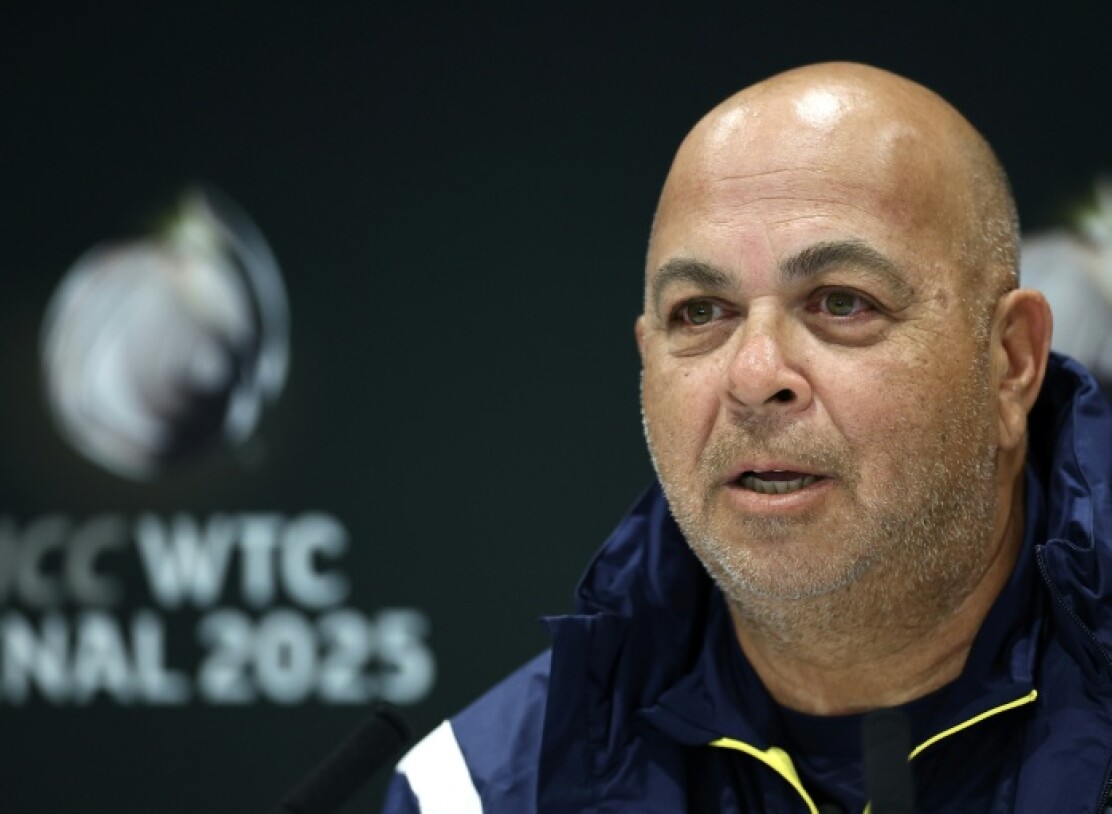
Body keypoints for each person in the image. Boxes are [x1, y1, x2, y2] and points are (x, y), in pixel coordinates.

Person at [381, 62, 1112, 812]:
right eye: (700, 313)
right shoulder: (480, 791)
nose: (756, 373)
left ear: (1010, 362)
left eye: (840, 302)